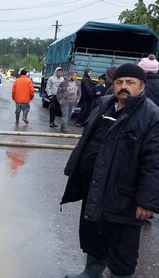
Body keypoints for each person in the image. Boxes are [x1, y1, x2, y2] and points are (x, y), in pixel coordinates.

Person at [61, 63, 159, 278]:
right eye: (119, 82)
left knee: (122, 246)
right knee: (94, 233)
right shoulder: (104, 104)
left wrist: (147, 200)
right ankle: (91, 272)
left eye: (130, 83)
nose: (124, 87)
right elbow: (87, 140)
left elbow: (154, 162)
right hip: (95, 186)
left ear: (142, 86)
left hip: (124, 194)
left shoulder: (151, 116)